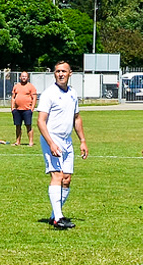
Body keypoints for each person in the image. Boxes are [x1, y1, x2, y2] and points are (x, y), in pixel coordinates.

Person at [37, 61, 88, 230]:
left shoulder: (72, 93)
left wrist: (82, 141)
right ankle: (59, 218)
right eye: (57, 71)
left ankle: (54, 215)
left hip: (67, 141)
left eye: (63, 71)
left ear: (70, 73)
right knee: (57, 176)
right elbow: (41, 121)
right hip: (52, 139)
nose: (60, 74)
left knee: (66, 180)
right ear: (54, 74)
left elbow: (77, 118)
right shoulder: (48, 94)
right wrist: (51, 143)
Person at [11, 71, 37, 146]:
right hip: (17, 110)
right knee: (18, 126)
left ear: (28, 78)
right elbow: (13, 97)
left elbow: (34, 98)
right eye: (22, 76)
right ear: (20, 77)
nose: (24, 78)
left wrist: (32, 108)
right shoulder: (16, 86)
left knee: (28, 126)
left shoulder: (31, 86)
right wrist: (12, 107)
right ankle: (17, 142)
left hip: (27, 110)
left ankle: (30, 142)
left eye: (25, 76)